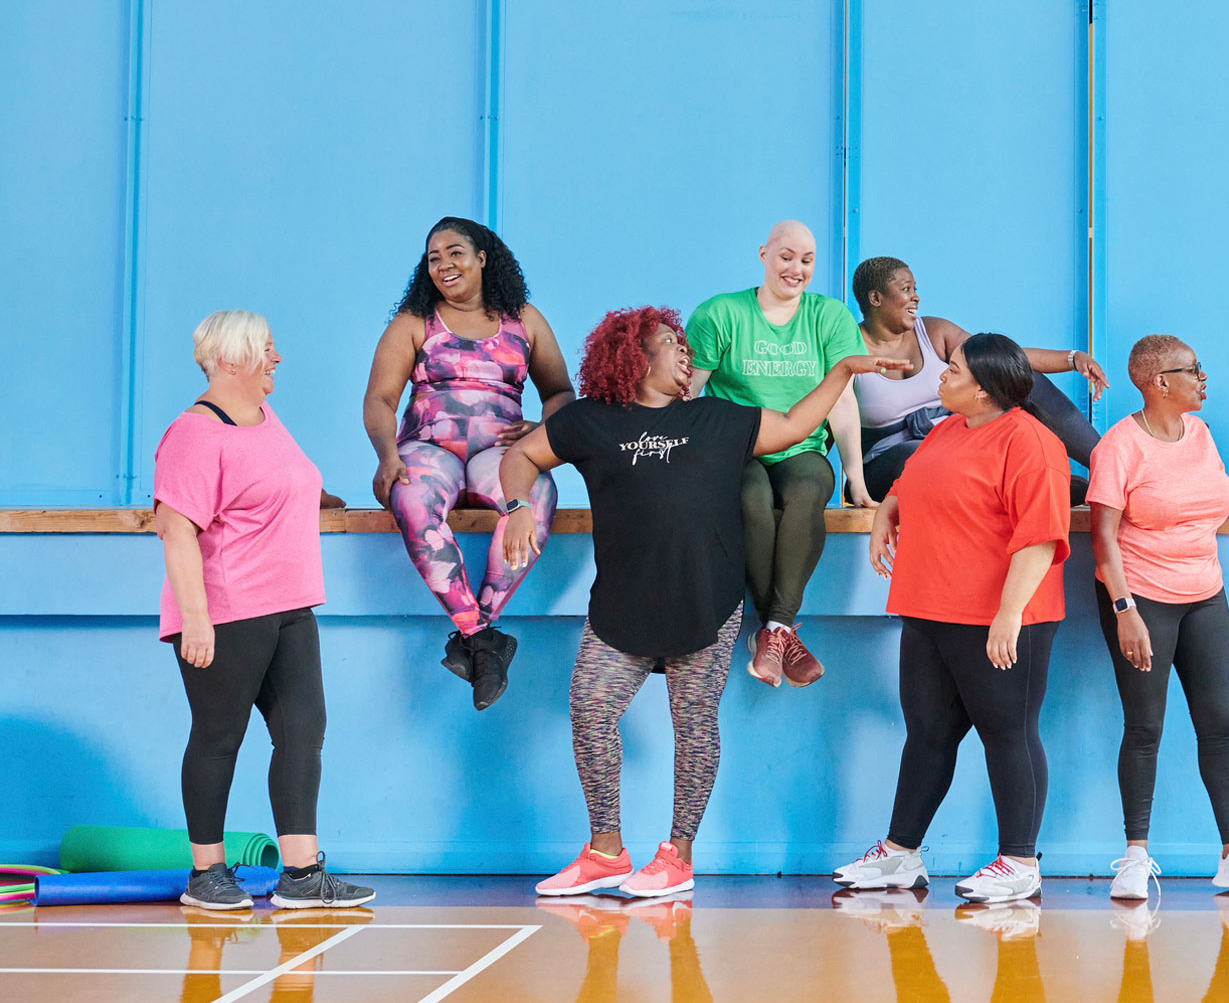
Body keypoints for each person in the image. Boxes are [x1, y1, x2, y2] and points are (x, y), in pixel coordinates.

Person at [501, 306, 901, 900]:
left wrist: (842, 368)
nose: (685, 352)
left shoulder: (717, 418)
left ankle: (677, 857)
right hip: (621, 607)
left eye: (685, 343)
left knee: (693, 728)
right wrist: (515, 507)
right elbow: (522, 457)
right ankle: (605, 852)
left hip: (707, 604)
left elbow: (793, 426)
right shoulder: (591, 421)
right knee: (590, 711)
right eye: (670, 342)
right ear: (634, 356)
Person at [833, 334, 1072, 904]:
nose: (941, 374)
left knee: (1007, 733)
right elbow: (917, 481)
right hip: (929, 608)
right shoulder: (945, 430)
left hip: (998, 616)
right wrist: (889, 507)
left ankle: (1019, 862)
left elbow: (1040, 538)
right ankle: (900, 855)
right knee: (928, 734)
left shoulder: (1032, 444)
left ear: (985, 390)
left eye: (955, 370)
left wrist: (1009, 615)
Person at [156, 310, 374, 911]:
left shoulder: (264, 418)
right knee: (219, 737)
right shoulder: (194, 434)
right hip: (227, 611)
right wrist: (194, 618)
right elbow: (176, 530)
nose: (277, 360)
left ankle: (301, 874)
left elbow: (276, 482)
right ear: (231, 360)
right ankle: (207, 874)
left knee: (303, 731)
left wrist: (317, 497)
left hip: (290, 606)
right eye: (267, 350)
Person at [1088, 333, 1229, 901]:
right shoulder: (1119, 447)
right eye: (1193, 370)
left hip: (1205, 595)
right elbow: (1101, 536)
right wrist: (1124, 610)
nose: (1203, 378)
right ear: (1159, 383)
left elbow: (1206, 510)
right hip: (1140, 599)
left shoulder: (1200, 434)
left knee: (1218, 724)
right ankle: (1133, 860)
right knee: (1146, 727)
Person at [363, 217, 573, 710]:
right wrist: (387, 456)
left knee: (538, 496)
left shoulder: (525, 320)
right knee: (412, 499)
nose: (443, 265)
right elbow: (379, 398)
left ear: (482, 257)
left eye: (454, 253)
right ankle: (483, 637)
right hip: (427, 449)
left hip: (499, 453)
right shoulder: (416, 321)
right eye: (433, 258)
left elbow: (561, 392)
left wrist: (541, 431)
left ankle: (477, 633)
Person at [686, 220, 866, 690]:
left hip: (801, 445)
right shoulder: (721, 313)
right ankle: (781, 630)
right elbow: (689, 392)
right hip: (733, 446)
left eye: (807, 260)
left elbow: (842, 400)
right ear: (763, 253)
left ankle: (774, 628)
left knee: (808, 490)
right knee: (752, 501)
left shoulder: (829, 316)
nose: (796, 269)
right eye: (786, 256)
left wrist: (856, 479)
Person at [850, 255, 1107, 503]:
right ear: (875, 298)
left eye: (915, 288)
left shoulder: (932, 331)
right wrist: (849, 485)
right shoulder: (848, 347)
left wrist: (1073, 359)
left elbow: (999, 357)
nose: (916, 297)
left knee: (1023, 377)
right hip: (890, 462)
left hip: (960, 442)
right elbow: (832, 412)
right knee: (926, 456)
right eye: (906, 289)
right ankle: (1043, 486)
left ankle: (1110, 468)